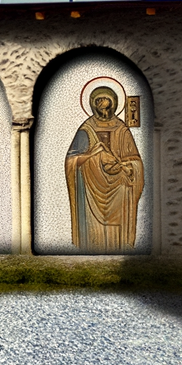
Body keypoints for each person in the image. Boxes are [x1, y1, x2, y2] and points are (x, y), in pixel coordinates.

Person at [65, 85, 145, 251]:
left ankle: (120, 248)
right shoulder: (86, 129)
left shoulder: (122, 129)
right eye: (99, 101)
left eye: (106, 101)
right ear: (93, 104)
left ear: (113, 104)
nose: (102, 105)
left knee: (124, 188)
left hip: (119, 188)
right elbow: (72, 161)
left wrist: (128, 167)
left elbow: (135, 160)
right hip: (91, 190)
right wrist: (93, 157)